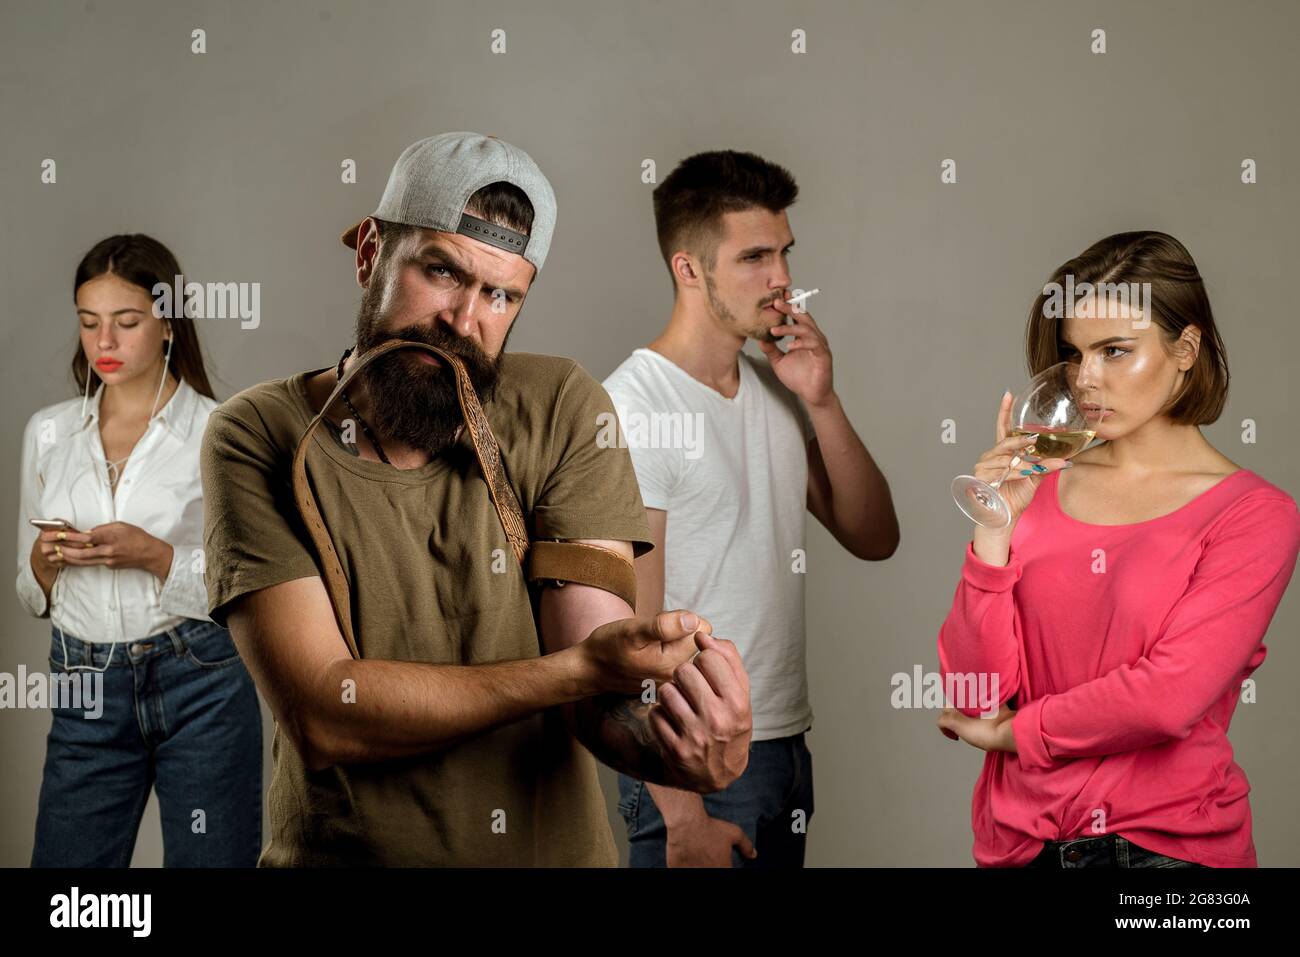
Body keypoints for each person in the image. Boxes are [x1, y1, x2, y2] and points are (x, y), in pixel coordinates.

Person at [199, 131, 754, 866]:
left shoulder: (562, 406)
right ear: (370, 253)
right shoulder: (255, 433)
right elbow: (327, 713)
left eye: (501, 294)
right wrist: (579, 672)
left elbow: (598, 683)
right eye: (441, 271)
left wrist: (682, 743)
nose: (464, 320)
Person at [937, 230, 1300, 868]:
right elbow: (974, 695)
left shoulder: (1255, 516)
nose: (1087, 381)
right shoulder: (1039, 485)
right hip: (1020, 847)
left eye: (1115, 351)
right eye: (1076, 355)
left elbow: (1166, 699)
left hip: (1167, 857)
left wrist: (1016, 734)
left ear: (1184, 349)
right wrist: (992, 531)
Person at [603, 150, 899, 867]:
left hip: (785, 748)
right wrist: (680, 815)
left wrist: (820, 398)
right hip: (692, 761)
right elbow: (628, 635)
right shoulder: (638, 406)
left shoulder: (775, 388)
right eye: (755, 257)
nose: (783, 279)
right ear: (689, 269)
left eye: (785, 253)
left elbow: (875, 534)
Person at [17, 233, 261, 867]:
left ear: (168, 324)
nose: (104, 343)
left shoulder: (220, 430)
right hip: (84, 684)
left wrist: (155, 555)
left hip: (199, 679)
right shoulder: (48, 432)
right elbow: (26, 586)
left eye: (127, 322)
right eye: (89, 322)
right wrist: (44, 562)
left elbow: (246, 582)